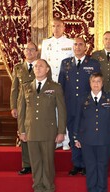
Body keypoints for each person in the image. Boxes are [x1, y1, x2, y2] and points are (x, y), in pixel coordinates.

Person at [18, 59, 67, 192]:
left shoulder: (55, 87)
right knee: (36, 163)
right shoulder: (26, 87)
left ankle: (49, 191)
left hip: (48, 131)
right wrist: (22, 130)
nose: (38, 68)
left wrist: (61, 131)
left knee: (48, 162)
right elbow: (21, 111)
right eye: (36, 66)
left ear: (47, 69)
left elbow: (62, 111)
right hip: (31, 130)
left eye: (41, 66)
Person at [73, 73, 110, 192]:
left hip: (105, 139)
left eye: (98, 81)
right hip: (87, 139)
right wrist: (76, 137)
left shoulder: (109, 98)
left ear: (102, 83)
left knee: (102, 165)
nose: (96, 84)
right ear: (90, 83)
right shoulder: (83, 99)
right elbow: (77, 118)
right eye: (93, 81)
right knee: (90, 166)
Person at [58, 37, 100, 176]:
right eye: (75, 44)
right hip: (70, 107)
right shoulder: (65, 63)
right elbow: (61, 86)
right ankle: (77, 164)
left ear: (85, 47)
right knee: (73, 134)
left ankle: (87, 164)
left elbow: (97, 86)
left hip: (87, 107)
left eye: (80, 44)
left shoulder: (93, 63)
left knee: (87, 136)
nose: (77, 47)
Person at [41, 17, 74, 150]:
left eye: (59, 26)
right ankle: (55, 139)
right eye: (54, 26)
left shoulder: (70, 42)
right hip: (51, 81)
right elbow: (43, 63)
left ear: (64, 27)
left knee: (63, 109)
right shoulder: (46, 43)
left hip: (65, 82)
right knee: (51, 110)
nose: (56, 28)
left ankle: (66, 140)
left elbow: (72, 64)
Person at [10, 42, 39, 175]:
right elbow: (14, 89)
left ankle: (37, 163)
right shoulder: (18, 68)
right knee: (23, 132)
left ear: (37, 52)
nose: (29, 52)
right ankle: (26, 164)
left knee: (35, 132)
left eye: (32, 49)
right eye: (27, 49)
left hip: (36, 103)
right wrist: (13, 106)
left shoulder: (41, 66)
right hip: (22, 104)